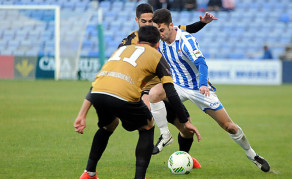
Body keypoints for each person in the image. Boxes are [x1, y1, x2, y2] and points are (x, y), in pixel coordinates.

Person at [74, 3, 216, 158]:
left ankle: (183, 158)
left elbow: (187, 29)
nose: (149, 25)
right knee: (147, 121)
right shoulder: (131, 40)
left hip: (166, 87)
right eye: (144, 21)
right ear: (137, 21)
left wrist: (203, 23)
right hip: (145, 91)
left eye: (151, 21)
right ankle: (144, 154)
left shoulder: (163, 32)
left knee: (187, 128)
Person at [74, 25, 201, 179]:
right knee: (147, 125)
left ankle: (89, 173)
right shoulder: (156, 55)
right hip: (122, 95)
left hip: (98, 93)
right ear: (157, 43)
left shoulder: (120, 51)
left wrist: (82, 114)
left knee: (109, 125)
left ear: (138, 40)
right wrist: (185, 120)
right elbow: (170, 91)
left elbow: (97, 82)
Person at [149, 8, 271, 172]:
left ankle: (252, 154)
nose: (160, 34)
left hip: (198, 88)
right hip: (176, 85)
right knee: (153, 94)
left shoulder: (186, 41)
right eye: (157, 31)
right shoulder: (160, 40)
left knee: (229, 126)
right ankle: (165, 135)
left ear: (171, 26)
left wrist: (202, 84)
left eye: (162, 30)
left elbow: (201, 63)